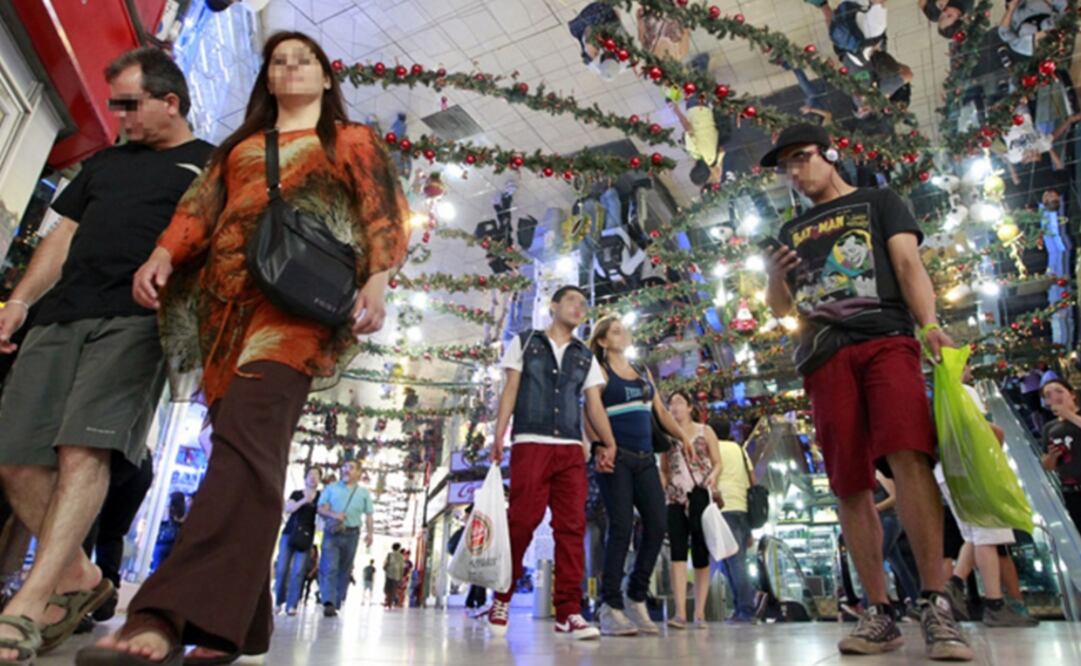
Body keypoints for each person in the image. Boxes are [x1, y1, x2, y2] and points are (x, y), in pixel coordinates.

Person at [80, 31, 408, 666]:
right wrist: (162, 253)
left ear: (325, 75)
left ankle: (162, 614)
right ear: (266, 79)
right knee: (248, 454)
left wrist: (378, 276)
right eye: (277, 61)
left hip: (298, 309)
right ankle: (235, 624)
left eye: (303, 59)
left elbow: (382, 211)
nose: (288, 67)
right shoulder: (239, 148)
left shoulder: (351, 140)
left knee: (244, 445)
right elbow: (199, 208)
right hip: (225, 310)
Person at [0, 47, 213, 662]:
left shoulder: (208, 168)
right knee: (14, 456)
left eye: (129, 104)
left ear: (169, 102)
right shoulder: (103, 162)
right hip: (58, 317)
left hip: (137, 324)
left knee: (83, 450)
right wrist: (20, 300)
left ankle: (28, 603)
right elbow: (61, 235)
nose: (118, 116)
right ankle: (82, 579)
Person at [761, 123, 973, 660]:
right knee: (848, 480)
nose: (794, 171)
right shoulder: (791, 230)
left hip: (886, 339)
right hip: (824, 355)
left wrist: (928, 325)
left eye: (802, 157)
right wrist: (771, 276)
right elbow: (782, 310)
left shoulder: (880, 200)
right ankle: (878, 611)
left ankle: (936, 602)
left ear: (830, 155)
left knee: (911, 458)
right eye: (786, 165)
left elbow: (907, 263)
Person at [485, 285, 612, 641]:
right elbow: (510, 388)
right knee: (522, 521)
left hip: (571, 448)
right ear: (553, 306)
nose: (578, 307)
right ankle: (502, 599)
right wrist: (499, 433)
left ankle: (568, 611)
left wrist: (608, 441)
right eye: (571, 300)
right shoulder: (525, 342)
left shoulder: (585, 357)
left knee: (571, 527)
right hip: (531, 442)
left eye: (583, 303)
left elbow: (594, 405)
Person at [585, 315, 690, 636]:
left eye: (623, 330)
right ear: (602, 341)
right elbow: (589, 412)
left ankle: (636, 595)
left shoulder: (643, 372)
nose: (622, 334)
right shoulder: (599, 370)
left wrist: (685, 439)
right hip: (616, 457)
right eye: (614, 331)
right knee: (620, 527)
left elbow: (660, 412)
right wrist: (600, 446)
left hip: (645, 459)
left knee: (658, 525)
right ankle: (609, 605)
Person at [938, 374, 1037, 627]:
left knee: (975, 535)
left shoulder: (939, 393)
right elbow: (984, 430)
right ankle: (994, 604)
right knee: (986, 533)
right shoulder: (961, 391)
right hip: (972, 467)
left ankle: (954, 585)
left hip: (947, 470)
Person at [662, 391, 722, 629]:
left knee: (700, 550)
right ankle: (679, 612)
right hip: (675, 496)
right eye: (671, 403)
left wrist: (713, 478)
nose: (674, 407)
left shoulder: (704, 431)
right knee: (677, 551)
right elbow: (664, 467)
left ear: (689, 407)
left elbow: (717, 461)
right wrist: (664, 486)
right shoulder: (667, 436)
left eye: (679, 402)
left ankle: (699, 612)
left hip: (700, 490)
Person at [712, 419, 759, 624]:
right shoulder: (739, 450)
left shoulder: (714, 449)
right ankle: (742, 608)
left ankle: (746, 609)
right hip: (742, 508)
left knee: (733, 562)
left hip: (724, 507)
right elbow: (752, 479)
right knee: (734, 561)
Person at [318, 461, 374, 617]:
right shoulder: (331, 488)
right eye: (344, 467)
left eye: (351, 468)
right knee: (330, 567)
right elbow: (320, 508)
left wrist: (370, 534)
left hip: (352, 534)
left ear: (358, 473)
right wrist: (334, 515)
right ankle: (328, 601)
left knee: (344, 569)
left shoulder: (363, 493)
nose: (346, 470)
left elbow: (369, 514)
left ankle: (336, 601)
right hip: (332, 532)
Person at [872, 471, 920, 615]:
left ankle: (865, 602)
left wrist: (875, 508)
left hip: (888, 521)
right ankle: (916, 600)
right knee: (899, 567)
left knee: (876, 559)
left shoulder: (880, 473)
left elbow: (895, 497)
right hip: (882, 521)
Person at [276, 468, 321, 616]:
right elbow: (288, 508)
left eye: (316, 475)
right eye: (310, 475)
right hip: (289, 534)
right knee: (282, 569)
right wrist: (303, 500)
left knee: (298, 571)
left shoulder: (321, 497)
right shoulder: (296, 493)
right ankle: (278, 601)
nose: (313, 478)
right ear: (305, 478)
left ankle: (292, 604)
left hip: (306, 538)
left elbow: (322, 518)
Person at [1040, 379, 1081, 532]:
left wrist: (1069, 415)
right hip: (1072, 492)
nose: (1054, 396)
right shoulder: (1049, 428)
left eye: (1059, 391)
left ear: (1071, 394)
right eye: (1048, 395)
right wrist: (1052, 457)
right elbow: (1047, 466)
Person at [384, 544, 406, 609]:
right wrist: (401, 577)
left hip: (389, 574)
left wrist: (385, 569)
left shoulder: (389, 554)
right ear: (399, 548)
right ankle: (390, 603)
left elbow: (386, 564)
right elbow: (402, 567)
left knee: (388, 589)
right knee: (393, 590)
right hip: (397, 576)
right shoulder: (401, 556)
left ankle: (389, 602)